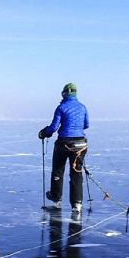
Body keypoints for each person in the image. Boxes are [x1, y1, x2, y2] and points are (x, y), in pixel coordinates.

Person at [38, 82, 89, 213]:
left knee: (58, 170)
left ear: (64, 93)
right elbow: (86, 125)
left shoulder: (61, 107)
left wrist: (44, 133)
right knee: (76, 172)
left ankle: (56, 197)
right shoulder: (82, 107)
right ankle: (77, 204)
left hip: (64, 143)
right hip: (80, 144)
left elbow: (53, 128)